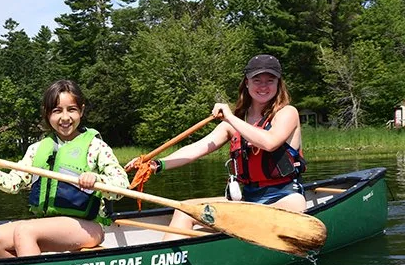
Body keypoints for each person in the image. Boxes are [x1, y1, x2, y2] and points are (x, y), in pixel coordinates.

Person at [126, 54, 307, 240]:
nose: (263, 86)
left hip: (285, 197)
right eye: (257, 80)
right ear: (247, 83)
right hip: (248, 200)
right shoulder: (235, 123)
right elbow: (197, 148)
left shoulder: (287, 113)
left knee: (273, 213)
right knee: (184, 210)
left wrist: (230, 117)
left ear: (278, 83)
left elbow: (269, 142)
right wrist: (156, 164)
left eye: (270, 80)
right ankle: (170, 264)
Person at [0, 79, 128, 258]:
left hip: (87, 226)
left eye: (72, 110)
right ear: (47, 113)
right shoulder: (37, 150)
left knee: (25, 230)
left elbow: (121, 185)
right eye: (57, 111)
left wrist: (97, 180)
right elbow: (12, 184)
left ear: (81, 111)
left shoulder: (96, 147)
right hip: (48, 224)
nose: (65, 117)